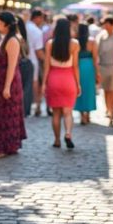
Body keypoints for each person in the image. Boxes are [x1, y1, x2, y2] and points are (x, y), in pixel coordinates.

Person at [0, 11, 27, 157]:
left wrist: (7, 86)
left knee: (5, 114)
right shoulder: (3, 38)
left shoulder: (12, 40)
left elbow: (12, 66)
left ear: (6, 24)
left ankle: (2, 147)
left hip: (8, 81)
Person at [44, 18, 81, 149]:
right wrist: (78, 84)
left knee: (56, 114)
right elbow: (75, 66)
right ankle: (68, 133)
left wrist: (44, 83)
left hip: (54, 78)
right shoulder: (75, 44)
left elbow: (47, 65)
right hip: (68, 78)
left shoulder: (50, 44)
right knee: (68, 112)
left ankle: (56, 140)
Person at [95, 17, 113, 125]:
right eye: (104, 24)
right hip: (103, 66)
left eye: (107, 24)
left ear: (112, 25)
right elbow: (97, 52)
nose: (105, 26)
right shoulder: (101, 37)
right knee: (106, 91)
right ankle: (108, 109)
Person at [74, 23, 98, 125]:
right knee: (89, 90)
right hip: (89, 66)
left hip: (78, 65)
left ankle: (81, 115)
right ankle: (87, 114)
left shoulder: (75, 41)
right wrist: (97, 72)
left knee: (79, 90)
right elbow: (95, 58)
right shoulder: (92, 41)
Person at [25, 10, 46, 117]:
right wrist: (47, 61)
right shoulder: (37, 31)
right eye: (41, 18)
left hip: (21, 60)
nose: (42, 21)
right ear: (37, 18)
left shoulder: (24, 26)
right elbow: (39, 51)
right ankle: (37, 106)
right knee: (35, 84)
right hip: (33, 61)